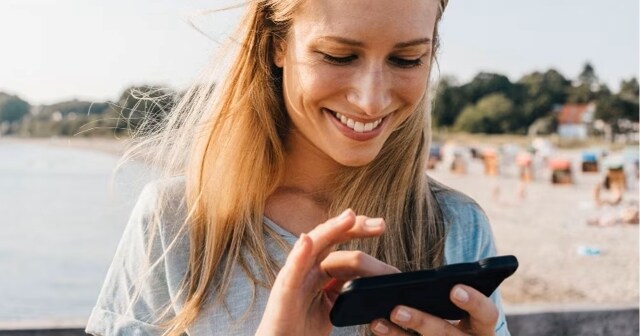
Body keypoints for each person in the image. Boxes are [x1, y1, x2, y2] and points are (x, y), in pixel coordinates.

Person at [87, 0, 510, 335]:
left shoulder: (456, 224)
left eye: (407, 59)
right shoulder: (177, 219)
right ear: (276, 43)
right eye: (338, 56)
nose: (372, 100)